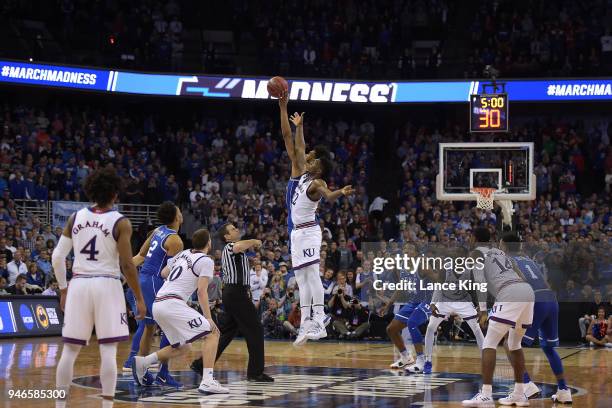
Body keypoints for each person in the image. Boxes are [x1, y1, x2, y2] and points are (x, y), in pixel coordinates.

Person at [52, 168, 146, 406]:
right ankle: (106, 405)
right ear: (115, 193)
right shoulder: (120, 222)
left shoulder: (75, 218)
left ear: (91, 190)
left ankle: (59, 404)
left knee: (70, 351)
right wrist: (139, 297)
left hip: (79, 284)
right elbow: (127, 264)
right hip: (107, 284)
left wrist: (63, 289)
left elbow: (57, 257)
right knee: (108, 350)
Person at [278, 92, 354, 345]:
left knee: (311, 275)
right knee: (301, 279)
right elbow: (294, 142)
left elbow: (295, 144)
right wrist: (290, 116)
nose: (306, 157)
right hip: (296, 230)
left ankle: (319, 318)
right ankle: (308, 322)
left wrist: (338, 192)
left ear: (317, 165)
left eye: (311, 157)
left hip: (307, 228)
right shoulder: (302, 175)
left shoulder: (311, 177)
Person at [132, 229, 229, 394]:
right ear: (209, 244)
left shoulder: (183, 254)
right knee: (213, 333)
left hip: (159, 303)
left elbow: (163, 273)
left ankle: (144, 362)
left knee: (183, 347)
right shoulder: (206, 260)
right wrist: (209, 318)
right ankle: (207, 381)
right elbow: (201, 292)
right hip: (173, 303)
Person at [190, 223, 273, 382]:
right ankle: (255, 373)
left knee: (227, 333)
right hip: (236, 293)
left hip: (233, 294)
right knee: (255, 329)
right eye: (233, 229)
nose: (237, 230)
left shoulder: (237, 249)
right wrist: (254, 240)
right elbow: (239, 246)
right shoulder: (230, 247)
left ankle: (201, 364)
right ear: (227, 237)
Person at [462, 227, 535, 407]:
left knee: (489, 343)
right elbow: (521, 274)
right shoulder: (500, 252)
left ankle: (486, 394)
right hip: (526, 291)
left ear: (474, 238)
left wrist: (484, 310)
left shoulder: (476, 253)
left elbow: (480, 282)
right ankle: (519, 394)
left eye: (469, 236)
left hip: (509, 293)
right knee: (514, 344)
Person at [501, 232, 572, 404]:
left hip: (535, 300)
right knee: (548, 347)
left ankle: (526, 385)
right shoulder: (528, 259)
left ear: (503, 245)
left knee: (509, 344)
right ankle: (563, 390)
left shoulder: (507, 261)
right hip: (550, 299)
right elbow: (543, 281)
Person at [126, 202, 184, 387]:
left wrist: (123, 271)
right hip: (155, 281)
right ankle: (162, 373)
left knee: (149, 327)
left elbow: (141, 255)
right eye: (179, 211)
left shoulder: (158, 230)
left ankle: (140, 369)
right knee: (169, 325)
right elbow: (170, 271)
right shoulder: (176, 240)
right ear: (176, 217)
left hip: (144, 278)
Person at [423, 249, 485, 375]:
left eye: (460, 257)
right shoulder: (445, 269)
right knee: (430, 328)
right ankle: (428, 360)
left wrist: (481, 308)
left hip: (463, 301)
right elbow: (439, 286)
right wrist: (433, 303)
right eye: (455, 257)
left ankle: (485, 359)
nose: (457, 259)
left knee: (477, 328)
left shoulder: (471, 270)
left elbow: (479, 289)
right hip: (445, 300)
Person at [386, 245, 433, 372]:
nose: (406, 251)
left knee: (412, 323)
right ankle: (406, 357)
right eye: (405, 249)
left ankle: (421, 361)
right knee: (391, 329)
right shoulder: (402, 267)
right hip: (413, 302)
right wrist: (389, 304)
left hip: (428, 300)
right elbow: (401, 286)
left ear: (417, 253)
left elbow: (438, 280)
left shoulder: (422, 265)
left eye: (410, 249)